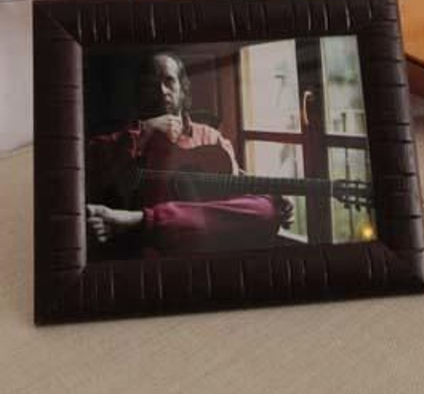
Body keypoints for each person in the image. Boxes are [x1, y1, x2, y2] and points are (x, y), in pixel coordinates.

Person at [85, 51, 292, 257]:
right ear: (140, 93)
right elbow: (87, 164)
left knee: (268, 209)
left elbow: (235, 183)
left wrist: (273, 196)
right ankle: (147, 224)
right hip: (158, 245)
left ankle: (139, 220)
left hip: (204, 237)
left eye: (169, 81)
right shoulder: (125, 138)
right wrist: (145, 131)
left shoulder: (211, 137)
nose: (161, 90)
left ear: (182, 89)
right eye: (150, 84)